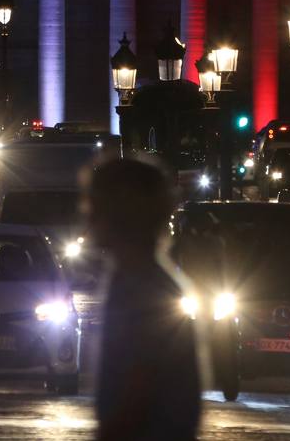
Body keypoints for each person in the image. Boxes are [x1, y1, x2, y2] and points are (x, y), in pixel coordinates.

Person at [86, 157, 206, 441]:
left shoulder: (140, 286)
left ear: (120, 212)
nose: (87, 216)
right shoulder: (138, 279)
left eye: (94, 205)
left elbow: (140, 384)